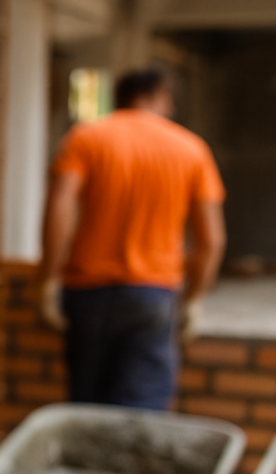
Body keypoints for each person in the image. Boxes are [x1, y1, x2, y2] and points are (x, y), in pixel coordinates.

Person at [35, 67, 227, 410]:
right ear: (160, 97)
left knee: (86, 406)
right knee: (141, 410)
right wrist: (195, 298)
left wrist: (49, 279)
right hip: (153, 294)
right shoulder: (191, 149)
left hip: (87, 292)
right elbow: (211, 241)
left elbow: (58, 213)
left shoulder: (85, 139)